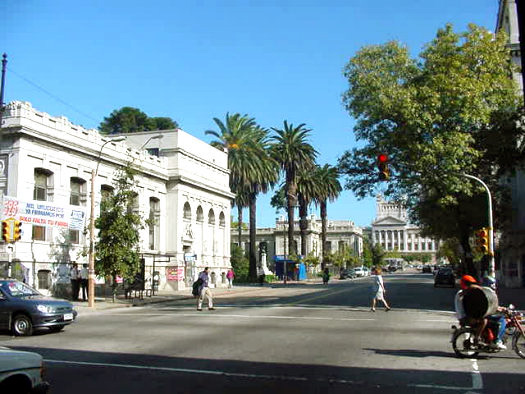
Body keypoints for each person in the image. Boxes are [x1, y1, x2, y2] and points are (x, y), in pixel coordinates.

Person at [455, 275, 488, 345]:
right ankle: (477, 338)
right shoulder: (462, 293)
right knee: (484, 321)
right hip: (465, 317)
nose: (471, 285)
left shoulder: (466, 292)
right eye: (470, 283)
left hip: (466, 315)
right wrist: (481, 288)